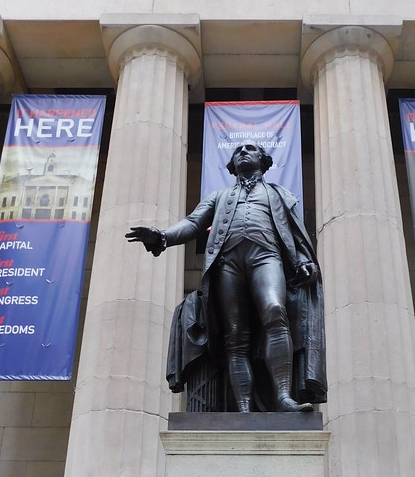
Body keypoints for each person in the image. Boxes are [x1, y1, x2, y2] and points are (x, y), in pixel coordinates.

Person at [127, 141, 326, 413]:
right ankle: (242, 407)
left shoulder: (281, 195)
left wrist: (303, 260)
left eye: (250, 149)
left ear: (263, 160)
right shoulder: (219, 196)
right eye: (238, 150)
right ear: (232, 165)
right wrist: (163, 237)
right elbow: (194, 223)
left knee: (275, 309)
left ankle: (282, 396)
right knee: (236, 335)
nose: (243, 151)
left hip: (266, 257)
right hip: (227, 264)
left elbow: (295, 235)